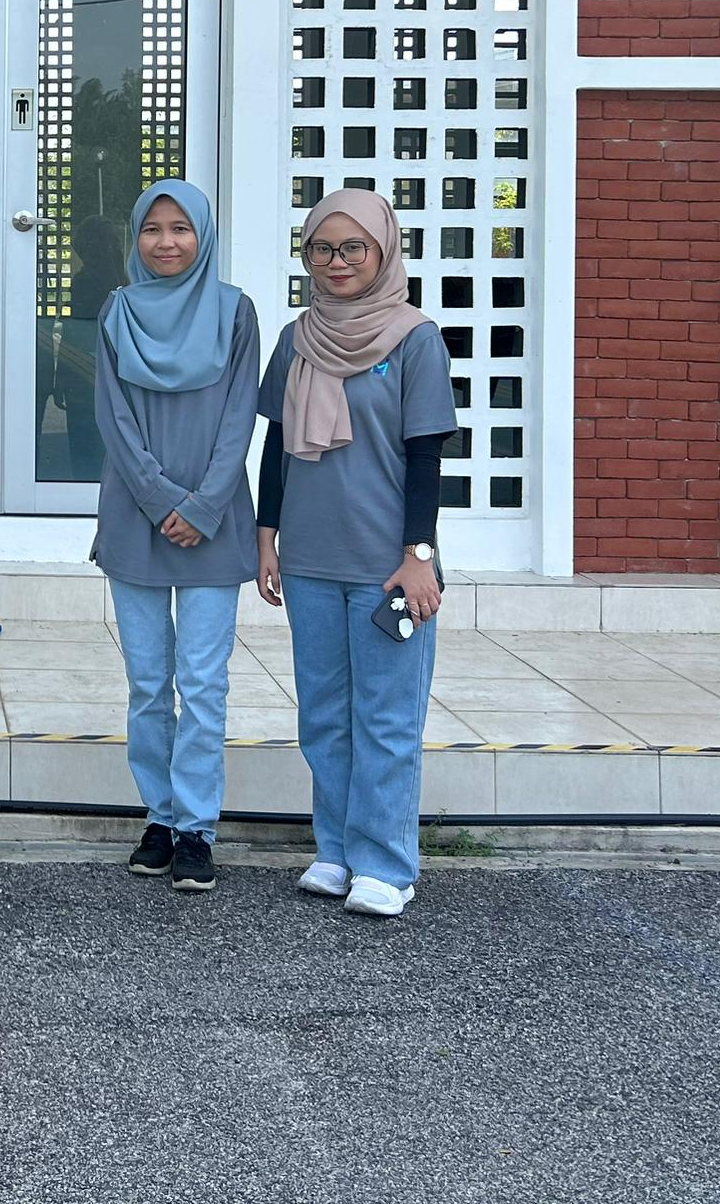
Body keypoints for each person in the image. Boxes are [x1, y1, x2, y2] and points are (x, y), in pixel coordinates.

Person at [254, 187, 456, 919]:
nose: (336, 262)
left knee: (388, 718)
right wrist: (266, 536)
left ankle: (387, 864)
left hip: (387, 563)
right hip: (309, 558)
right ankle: (337, 850)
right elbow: (277, 443)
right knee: (325, 716)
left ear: (383, 252)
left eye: (352, 248)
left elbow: (426, 454)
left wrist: (420, 556)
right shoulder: (298, 338)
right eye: (321, 249)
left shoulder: (414, 337)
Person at [92, 180, 262, 893]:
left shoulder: (234, 312)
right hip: (137, 515)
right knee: (145, 681)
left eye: (180, 228)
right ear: (136, 239)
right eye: (152, 229)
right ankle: (158, 817)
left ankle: (196, 827)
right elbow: (113, 418)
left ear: (204, 236)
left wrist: (203, 505)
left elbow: (241, 415)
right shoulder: (118, 311)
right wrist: (164, 497)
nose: (166, 242)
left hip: (213, 521)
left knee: (202, 681)